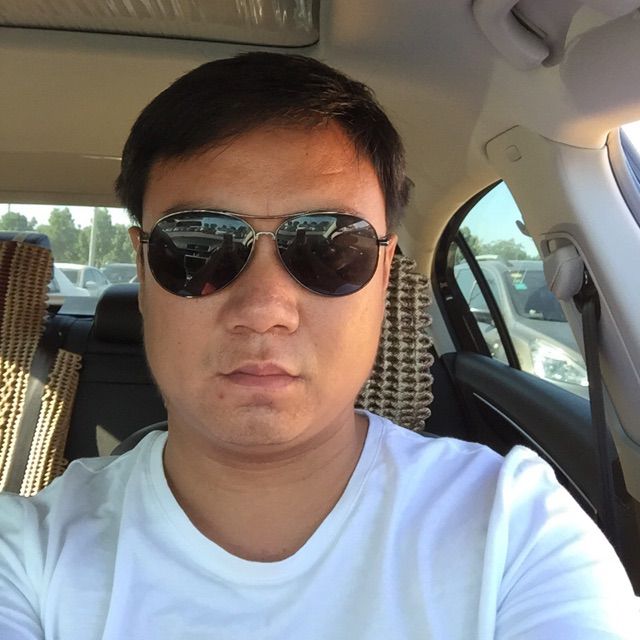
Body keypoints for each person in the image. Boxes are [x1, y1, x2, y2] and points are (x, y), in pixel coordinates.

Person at [0, 52, 638, 640]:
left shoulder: (515, 528)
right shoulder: (28, 552)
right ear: (143, 271)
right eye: (197, 247)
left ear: (382, 277)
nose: (264, 310)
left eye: (331, 249)